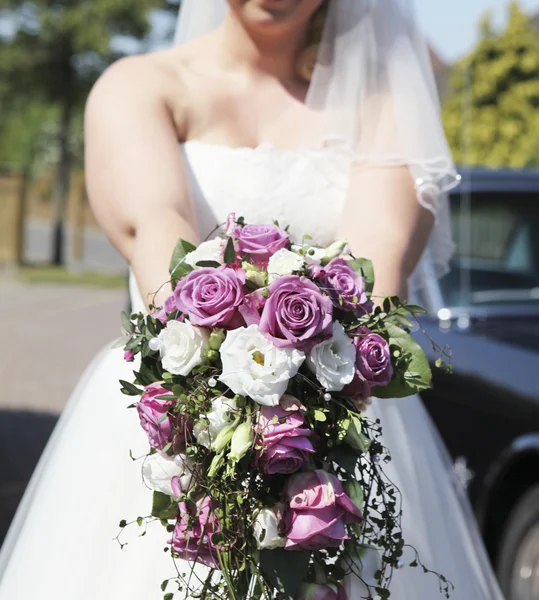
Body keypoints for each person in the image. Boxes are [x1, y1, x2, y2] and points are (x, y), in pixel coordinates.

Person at [0, 1, 505, 598]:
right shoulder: (141, 88)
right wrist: (224, 406)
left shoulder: (385, 108)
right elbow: (159, 243)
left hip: (344, 414)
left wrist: (296, 423)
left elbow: (380, 267)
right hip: (177, 418)